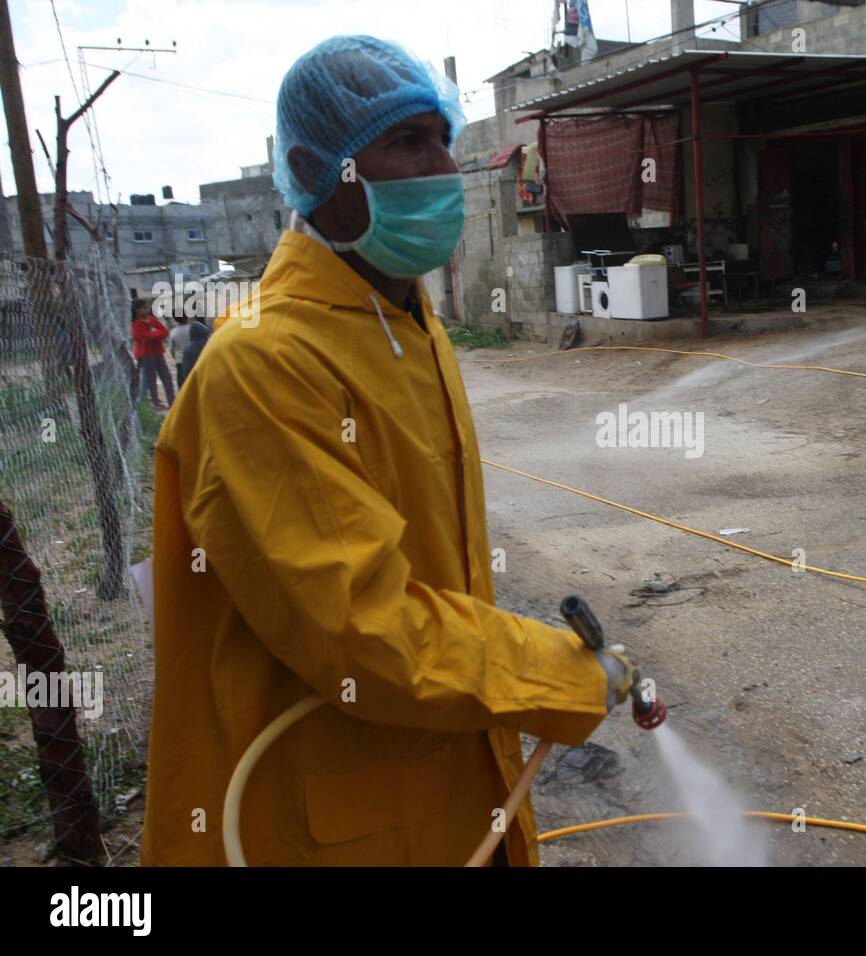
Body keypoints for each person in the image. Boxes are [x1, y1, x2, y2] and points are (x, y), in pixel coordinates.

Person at [141, 36, 638, 867]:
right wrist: (559, 675)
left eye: (443, 137)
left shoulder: (407, 322)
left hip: (441, 785)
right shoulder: (264, 364)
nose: (446, 166)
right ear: (317, 168)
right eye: (407, 143)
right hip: (328, 823)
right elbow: (363, 629)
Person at [130, 298, 174, 411]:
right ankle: (156, 403)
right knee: (151, 380)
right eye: (144, 308)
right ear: (137, 310)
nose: (147, 310)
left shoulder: (152, 320)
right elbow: (144, 338)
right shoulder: (136, 325)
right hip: (146, 356)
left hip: (158, 352)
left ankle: (172, 402)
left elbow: (164, 331)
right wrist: (155, 334)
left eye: (147, 307)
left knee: (167, 378)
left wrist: (153, 334)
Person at [179, 317, 210, 387]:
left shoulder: (188, 349)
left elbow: (186, 371)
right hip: (209, 378)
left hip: (195, 380)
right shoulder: (210, 344)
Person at [168, 315, 192, 386]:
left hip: (180, 360)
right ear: (187, 316)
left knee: (181, 383)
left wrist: (176, 358)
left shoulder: (173, 332)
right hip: (192, 359)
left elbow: (171, 349)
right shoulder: (192, 329)